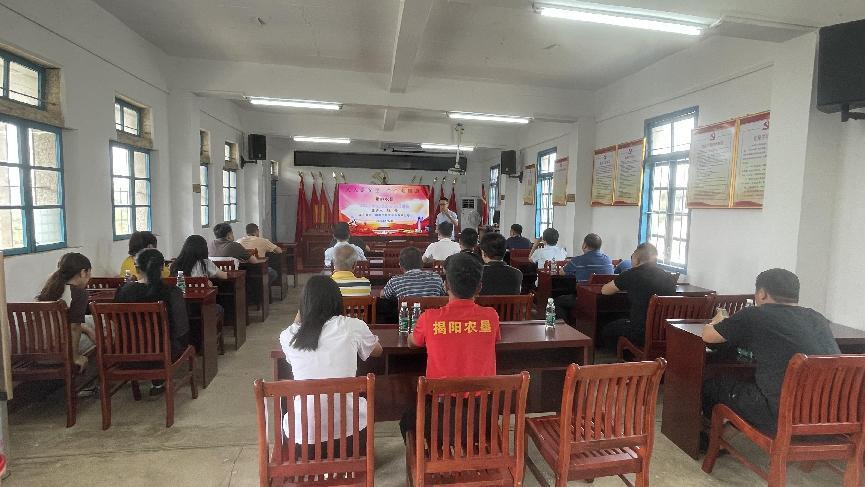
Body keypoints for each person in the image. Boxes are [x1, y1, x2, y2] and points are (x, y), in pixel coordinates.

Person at [701, 269, 840, 434]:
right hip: (830, 415)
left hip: (782, 417)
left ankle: (713, 438)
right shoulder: (817, 318)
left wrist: (715, 321)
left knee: (713, 385)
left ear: (762, 294)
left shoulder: (754, 315)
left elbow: (708, 336)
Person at [400, 252, 501, 440]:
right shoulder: (491, 316)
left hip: (439, 421)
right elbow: (495, 339)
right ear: (479, 287)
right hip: (482, 421)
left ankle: (433, 451)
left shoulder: (429, 318)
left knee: (407, 420)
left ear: (446, 286)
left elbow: (412, 342)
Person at [278, 275, 382, 457]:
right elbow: (377, 351)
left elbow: (293, 347)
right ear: (338, 301)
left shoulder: (288, 336)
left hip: (304, 445)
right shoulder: (353, 327)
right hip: (350, 439)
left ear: (303, 305)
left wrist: (302, 313)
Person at [115, 249, 191, 395]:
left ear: (137, 268)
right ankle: (158, 381)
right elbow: (181, 330)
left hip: (127, 355)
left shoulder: (123, 292)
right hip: (163, 355)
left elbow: (116, 323)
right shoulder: (171, 292)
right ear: (162, 268)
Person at [599, 242, 676, 349]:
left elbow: (605, 291)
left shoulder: (631, 274)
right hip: (665, 332)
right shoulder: (668, 277)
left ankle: (626, 355)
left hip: (639, 332)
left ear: (636, 259)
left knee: (606, 329)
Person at [37, 252, 94, 371]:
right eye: (89, 273)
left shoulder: (50, 288)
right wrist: (75, 357)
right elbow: (74, 328)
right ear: (83, 272)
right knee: (100, 333)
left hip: (38, 351)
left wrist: (86, 329)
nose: (90, 277)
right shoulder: (79, 293)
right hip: (58, 351)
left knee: (88, 326)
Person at [554, 234, 615, 322]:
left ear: (584, 245)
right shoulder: (608, 259)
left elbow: (562, 272)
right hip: (605, 299)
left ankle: (566, 326)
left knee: (556, 302)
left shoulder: (578, 260)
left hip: (585, 299)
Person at [210, 222, 276, 283]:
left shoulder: (211, 245)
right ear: (228, 235)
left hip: (215, 281)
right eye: (232, 233)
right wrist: (264, 260)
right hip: (233, 280)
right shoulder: (234, 245)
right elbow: (254, 261)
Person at [381, 247, 445, 300]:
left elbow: (382, 295)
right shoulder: (436, 278)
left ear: (400, 265)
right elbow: (443, 294)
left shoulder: (395, 281)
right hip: (432, 312)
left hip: (406, 312)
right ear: (422, 263)